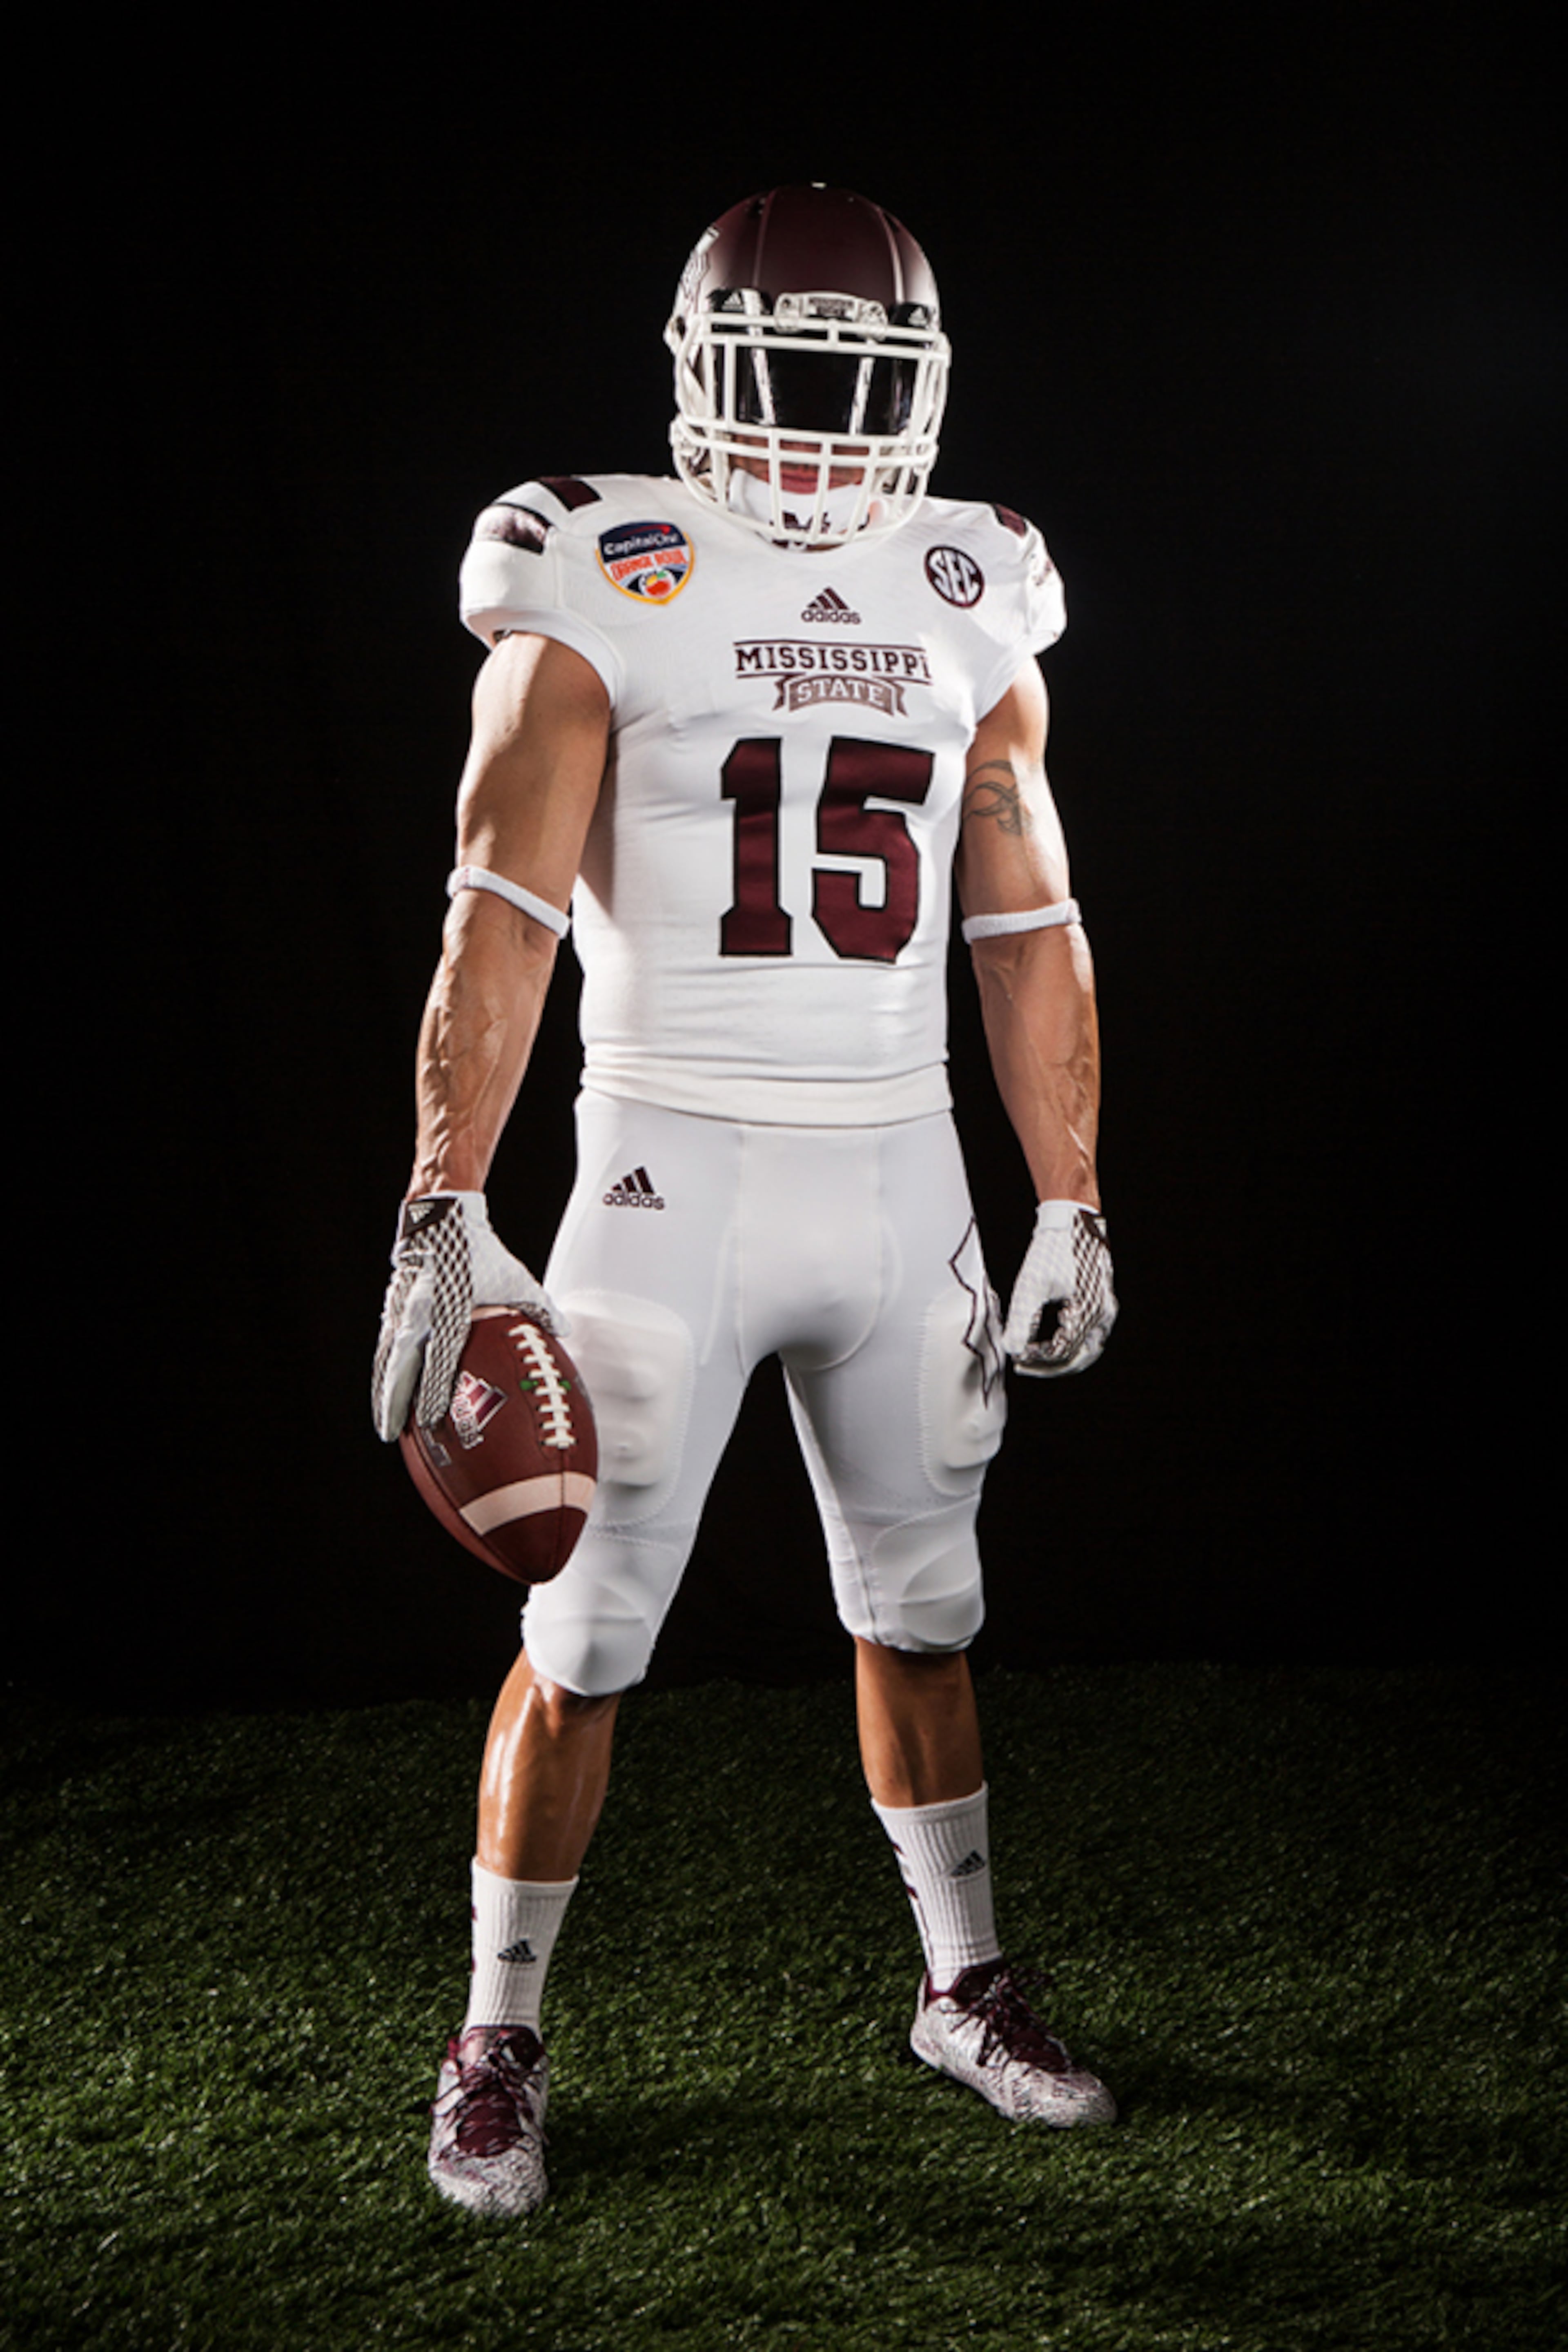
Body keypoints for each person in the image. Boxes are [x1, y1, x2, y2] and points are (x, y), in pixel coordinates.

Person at [372, 184, 1118, 2221]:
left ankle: (963, 1982)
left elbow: (1030, 919)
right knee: (586, 1621)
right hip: (662, 1161)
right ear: (698, 377)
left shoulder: (976, 584)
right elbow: (500, 920)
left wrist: (1074, 1194)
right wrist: (447, 1202)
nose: (815, 432)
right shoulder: (602, 566)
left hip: (901, 1161)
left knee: (930, 1604)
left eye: (858, 387)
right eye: (782, 378)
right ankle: (498, 2035)